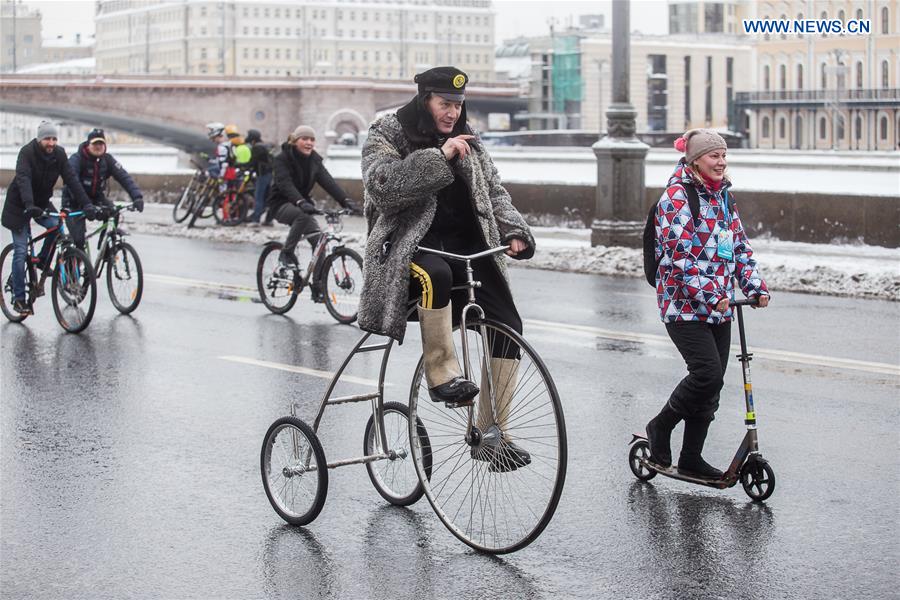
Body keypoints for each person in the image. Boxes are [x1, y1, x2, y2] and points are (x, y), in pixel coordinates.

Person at [358, 66, 535, 471]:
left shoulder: (471, 138)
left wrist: (514, 230)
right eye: (445, 104)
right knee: (434, 274)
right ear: (425, 100)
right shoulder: (388, 134)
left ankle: (493, 435)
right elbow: (382, 186)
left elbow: (493, 191)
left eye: (458, 105)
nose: (453, 113)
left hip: (467, 252)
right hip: (408, 252)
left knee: (508, 323)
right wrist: (439, 157)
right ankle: (442, 378)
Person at [645, 128, 770, 479]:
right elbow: (679, 256)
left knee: (712, 384)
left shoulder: (723, 198)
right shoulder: (677, 198)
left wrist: (755, 286)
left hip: (719, 306)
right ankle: (661, 426)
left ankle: (691, 457)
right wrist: (712, 296)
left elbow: (740, 248)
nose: (721, 162)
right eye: (714, 155)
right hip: (683, 305)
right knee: (706, 374)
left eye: (724, 155)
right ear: (695, 159)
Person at [1, 121, 92, 315]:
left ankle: (42, 261)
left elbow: (72, 180)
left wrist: (86, 204)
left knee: (57, 227)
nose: (51, 143)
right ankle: (19, 299)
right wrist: (29, 205)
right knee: (20, 252)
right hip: (19, 206)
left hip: (41, 203)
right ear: (39, 139)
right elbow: (23, 179)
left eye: (54, 139)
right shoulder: (27, 153)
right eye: (47, 139)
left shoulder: (58, 154)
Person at [267, 124, 360, 288]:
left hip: (302, 205)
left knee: (319, 243)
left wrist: (346, 200)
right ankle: (286, 254)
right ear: (295, 141)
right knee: (302, 216)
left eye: (312, 139)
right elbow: (285, 184)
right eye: (304, 139)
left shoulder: (314, 161)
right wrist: (300, 201)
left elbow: (328, 182)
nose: (309, 142)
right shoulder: (282, 158)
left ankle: (317, 286)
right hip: (281, 204)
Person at [62, 128, 144, 251]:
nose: (98, 147)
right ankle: (74, 263)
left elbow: (124, 177)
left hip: (96, 198)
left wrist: (137, 196)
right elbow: (73, 184)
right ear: (88, 145)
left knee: (113, 212)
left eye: (101, 144)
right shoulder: (76, 159)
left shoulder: (107, 160)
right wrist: (86, 204)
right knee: (78, 241)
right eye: (95, 143)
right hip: (74, 201)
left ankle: (106, 248)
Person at [245, 129, 273, 225]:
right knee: (266, 197)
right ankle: (268, 220)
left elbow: (253, 162)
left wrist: (241, 166)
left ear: (253, 139)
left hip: (262, 174)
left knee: (258, 197)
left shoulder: (257, 147)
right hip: (269, 174)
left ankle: (256, 220)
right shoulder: (265, 146)